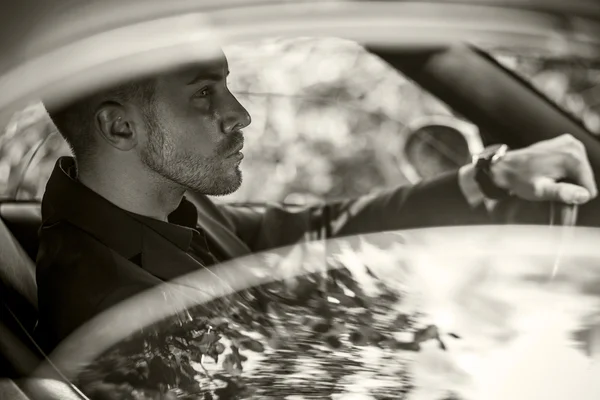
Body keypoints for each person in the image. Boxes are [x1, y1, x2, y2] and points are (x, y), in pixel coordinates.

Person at [36, 50, 597, 351]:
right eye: (204, 93)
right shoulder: (112, 310)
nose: (241, 115)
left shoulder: (171, 207)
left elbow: (320, 229)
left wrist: (490, 181)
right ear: (119, 129)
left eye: (226, 86)